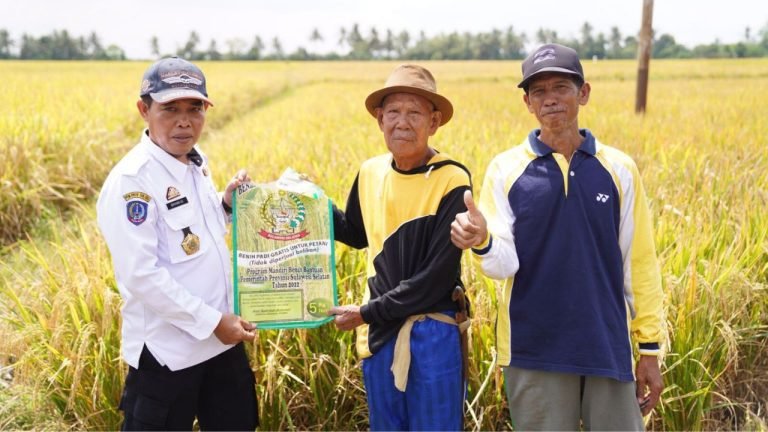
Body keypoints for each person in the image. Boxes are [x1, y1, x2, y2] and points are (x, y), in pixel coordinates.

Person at [450, 44, 665, 431]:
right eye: (539, 91)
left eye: (561, 87)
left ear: (583, 93)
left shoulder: (619, 169)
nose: (550, 99)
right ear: (527, 102)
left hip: (605, 343)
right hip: (534, 350)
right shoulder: (506, 169)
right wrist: (482, 239)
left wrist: (650, 347)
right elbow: (503, 265)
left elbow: (639, 262)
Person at [97, 57, 258, 431]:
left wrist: (226, 204)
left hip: (221, 344)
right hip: (167, 355)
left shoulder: (195, 163)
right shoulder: (132, 182)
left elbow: (195, 235)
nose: (184, 121)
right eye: (170, 109)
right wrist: (212, 322)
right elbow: (141, 276)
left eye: (195, 108)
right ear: (144, 110)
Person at [327, 64, 472, 431]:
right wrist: (307, 203)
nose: (402, 122)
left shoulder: (451, 178)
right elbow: (356, 233)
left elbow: (436, 279)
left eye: (414, 113)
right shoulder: (370, 171)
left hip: (432, 332)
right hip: (379, 332)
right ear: (379, 119)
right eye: (393, 112)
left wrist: (366, 312)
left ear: (434, 121)